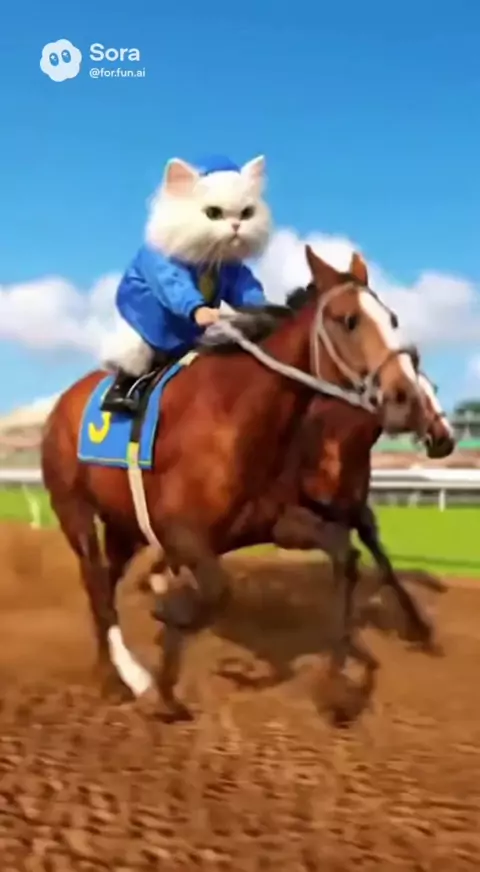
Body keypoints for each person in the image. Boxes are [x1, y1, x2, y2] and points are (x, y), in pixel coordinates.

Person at [101, 153, 272, 414]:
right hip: (147, 316)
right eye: (215, 213)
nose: (234, 225)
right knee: (135, 351)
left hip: (190, 329)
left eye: (245, 214)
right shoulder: (159, 255)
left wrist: (265, 313)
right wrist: (195, 308)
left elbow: (245, 288)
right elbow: (171, 283)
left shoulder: (228, 265)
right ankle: (121, 388)